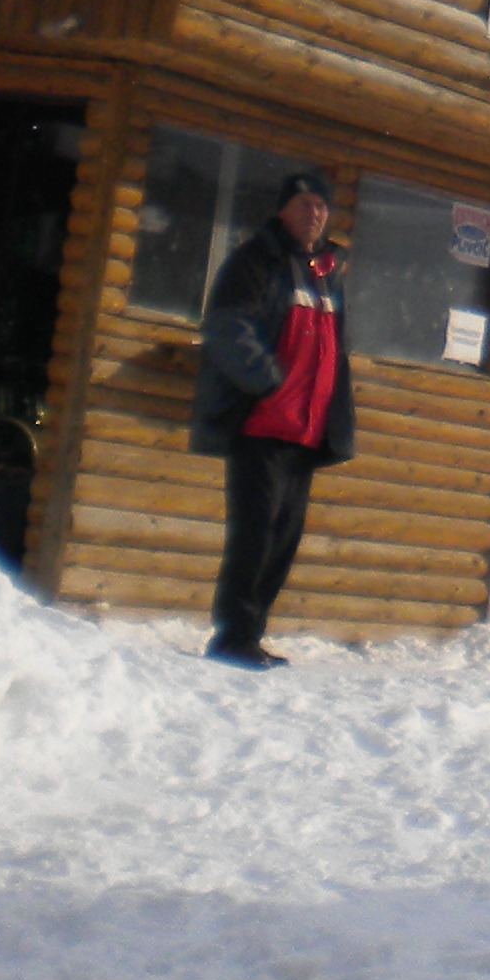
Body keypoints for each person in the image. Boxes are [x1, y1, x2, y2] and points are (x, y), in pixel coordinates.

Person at [189, 169, 354, 668]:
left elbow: (333, 349)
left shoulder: (328, 273)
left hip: (306, 431)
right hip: (261, 425)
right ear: (284, 210)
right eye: (304, 205)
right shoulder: (255, 261)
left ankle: (252, 632)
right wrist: (268, 381)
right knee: (254, 535)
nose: (314, 214)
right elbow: (226, 327)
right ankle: (233, 637)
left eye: (321, 206)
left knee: (282, 539)